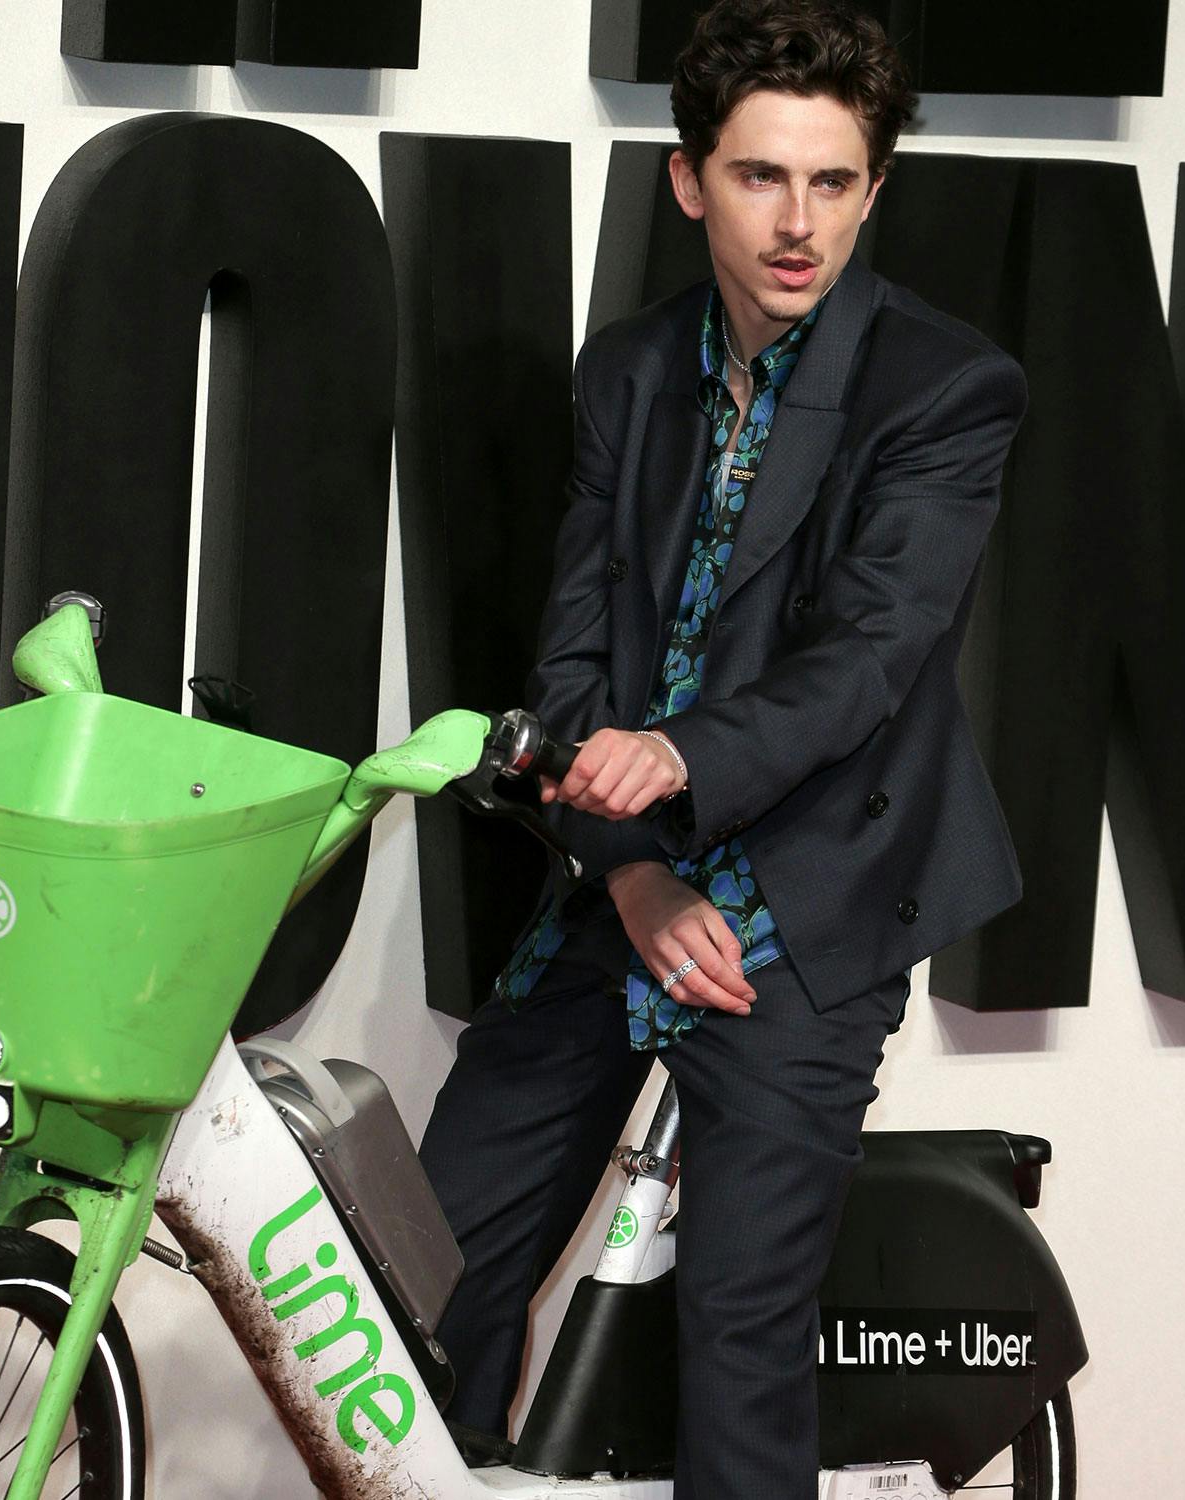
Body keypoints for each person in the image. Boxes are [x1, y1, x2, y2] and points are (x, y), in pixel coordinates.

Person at [418, 1, 1029, 1496]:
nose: (799, 221)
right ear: (690, 181)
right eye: (762, 177)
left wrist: (676, 753)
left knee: (739, 1334)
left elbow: (871, 660)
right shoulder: (629, 374)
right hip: (626, 879)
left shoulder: (948, 389)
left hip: (813, 899)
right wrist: (629, 877)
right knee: (427, 1276)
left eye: (834, 182)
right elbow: (571, 662)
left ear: (875, 190)